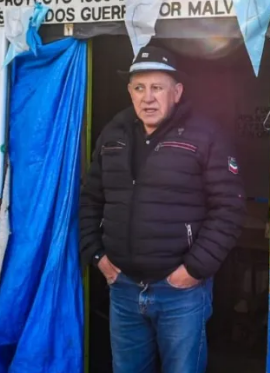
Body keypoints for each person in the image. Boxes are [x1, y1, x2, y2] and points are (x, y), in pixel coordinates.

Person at [79, 45, 246, 373]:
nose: (148, 98)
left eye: (157, 88)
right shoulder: (113, 134)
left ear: (177, 92)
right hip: (123, 287)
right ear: (129, 92)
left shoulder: (205, 135)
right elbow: (90, 199)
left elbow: (228, 207)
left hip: (180, 292)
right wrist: (98, 257)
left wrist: (194, 270)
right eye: (139, 88)